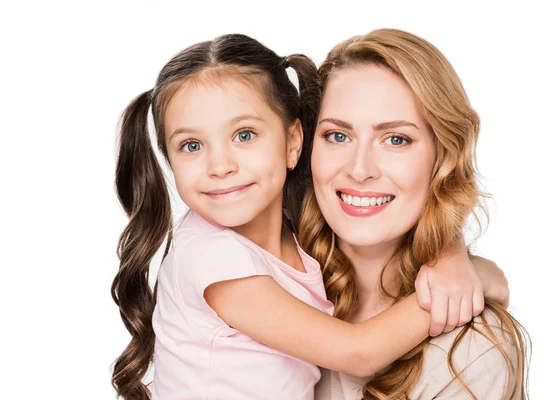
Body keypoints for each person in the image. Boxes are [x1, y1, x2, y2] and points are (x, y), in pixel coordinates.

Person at [112, 33, 509, 400]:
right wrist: (473, 279)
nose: (220, 166)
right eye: (192, 145)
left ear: (292, 143)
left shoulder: (297, 234)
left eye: (245, 135)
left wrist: (453, 255)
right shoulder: (212, 256)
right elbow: (358, 353)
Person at [301, 29, 530, 400]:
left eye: (396, 139)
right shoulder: (267, 284)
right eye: (338, 136)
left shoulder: (470, 350)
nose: (360, 170)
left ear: (443, 158)